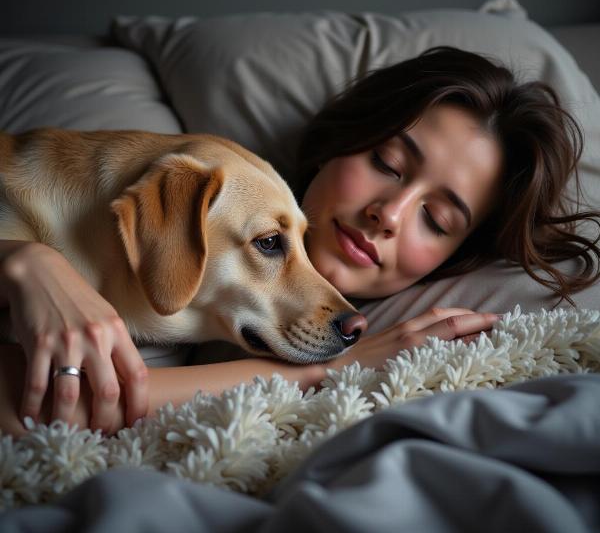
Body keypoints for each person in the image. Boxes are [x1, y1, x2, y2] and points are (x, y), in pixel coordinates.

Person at [0, 46, 598, 438]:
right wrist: (26, 262)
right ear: (339, 143)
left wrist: (334, 369)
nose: (387, 213)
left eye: (437, 220)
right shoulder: (214, 194)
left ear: (451, 261)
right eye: (387, 163)